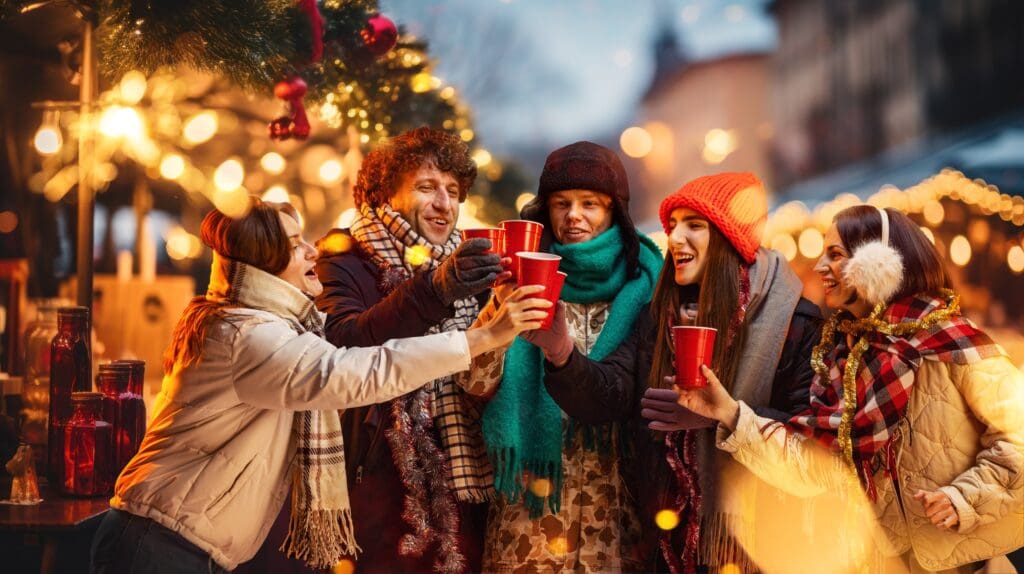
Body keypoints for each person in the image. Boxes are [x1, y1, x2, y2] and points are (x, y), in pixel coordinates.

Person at [90, 198, 549, 573]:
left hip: (177, 542)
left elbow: (363, 336)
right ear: (264, 265)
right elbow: (350, 372)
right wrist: (481, 339)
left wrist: (440, 290)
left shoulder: (281, 325)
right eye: (294, 246)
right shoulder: (247, 335)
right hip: (159, 548)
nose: (312, 252)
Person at [678, 205, 1024, 573]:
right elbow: (814, 466)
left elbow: (1017, 441)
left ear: (881, 262)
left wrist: (962, 498)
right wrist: (729, 413)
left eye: (836, 254)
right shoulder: (841, 358)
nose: (819, 267)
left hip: (962, 565)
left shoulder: (956, 344)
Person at [533, 172, 822, 572]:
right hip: (668, 535)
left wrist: (720, 419)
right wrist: (561, 353)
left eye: (695, 225)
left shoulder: (796, 321)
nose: (675, 237)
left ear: (729, 238)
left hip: (757, 543)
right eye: (672, 225)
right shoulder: (659, 315)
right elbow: (612, 393)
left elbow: (810, 442)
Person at [457, 141, 664, 572]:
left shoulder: (648, 286)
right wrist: (501, 310)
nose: (574, 216)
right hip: (530, 521)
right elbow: (474, 383)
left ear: (615, 212)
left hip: (616, 517)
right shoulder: (520, 276)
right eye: (561, 203)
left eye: (590, 204)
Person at [310, 127, 510, 573]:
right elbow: (343, 343)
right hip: (381, 480)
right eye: (426, 187)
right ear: (385, 195)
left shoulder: (468, 264)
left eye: (453, 191)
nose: (445, 204)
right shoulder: (344, 256)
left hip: (464, 479)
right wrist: (435, 290)